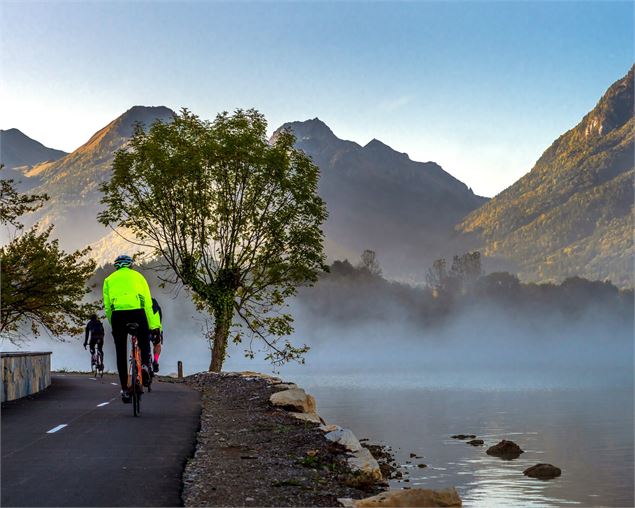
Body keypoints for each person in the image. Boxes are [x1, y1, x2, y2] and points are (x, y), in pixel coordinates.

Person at [103, 254, 161, 403]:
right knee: (143, 342)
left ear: (116, 266)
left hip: (118, 316)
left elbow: (108, 308)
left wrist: (113, 324)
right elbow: (148, 304)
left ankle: (124, 390)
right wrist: (154, 326)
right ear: (131, 265)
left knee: (121, 352)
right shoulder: (139, 277)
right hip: (137, 312)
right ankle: (145, 366)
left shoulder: (108, 280)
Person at [150, 298, 164, 373]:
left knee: (139, 343)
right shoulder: (154, 301)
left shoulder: (138, 301)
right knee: (157, 345)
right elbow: (160, 317)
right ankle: (155, 360)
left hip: (142, 326)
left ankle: (139, 360)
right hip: (155, 327)